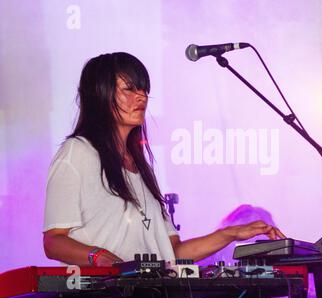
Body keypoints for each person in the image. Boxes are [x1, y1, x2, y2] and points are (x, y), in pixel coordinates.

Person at [43, 52, 285, 267]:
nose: (141, 97)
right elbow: (53, 241)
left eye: (144, 90)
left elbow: (174, 252)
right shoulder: (77, 153)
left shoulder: (140, 166)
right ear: (100, 94)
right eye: (129, 89)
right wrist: (99, 257)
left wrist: (230, 234)